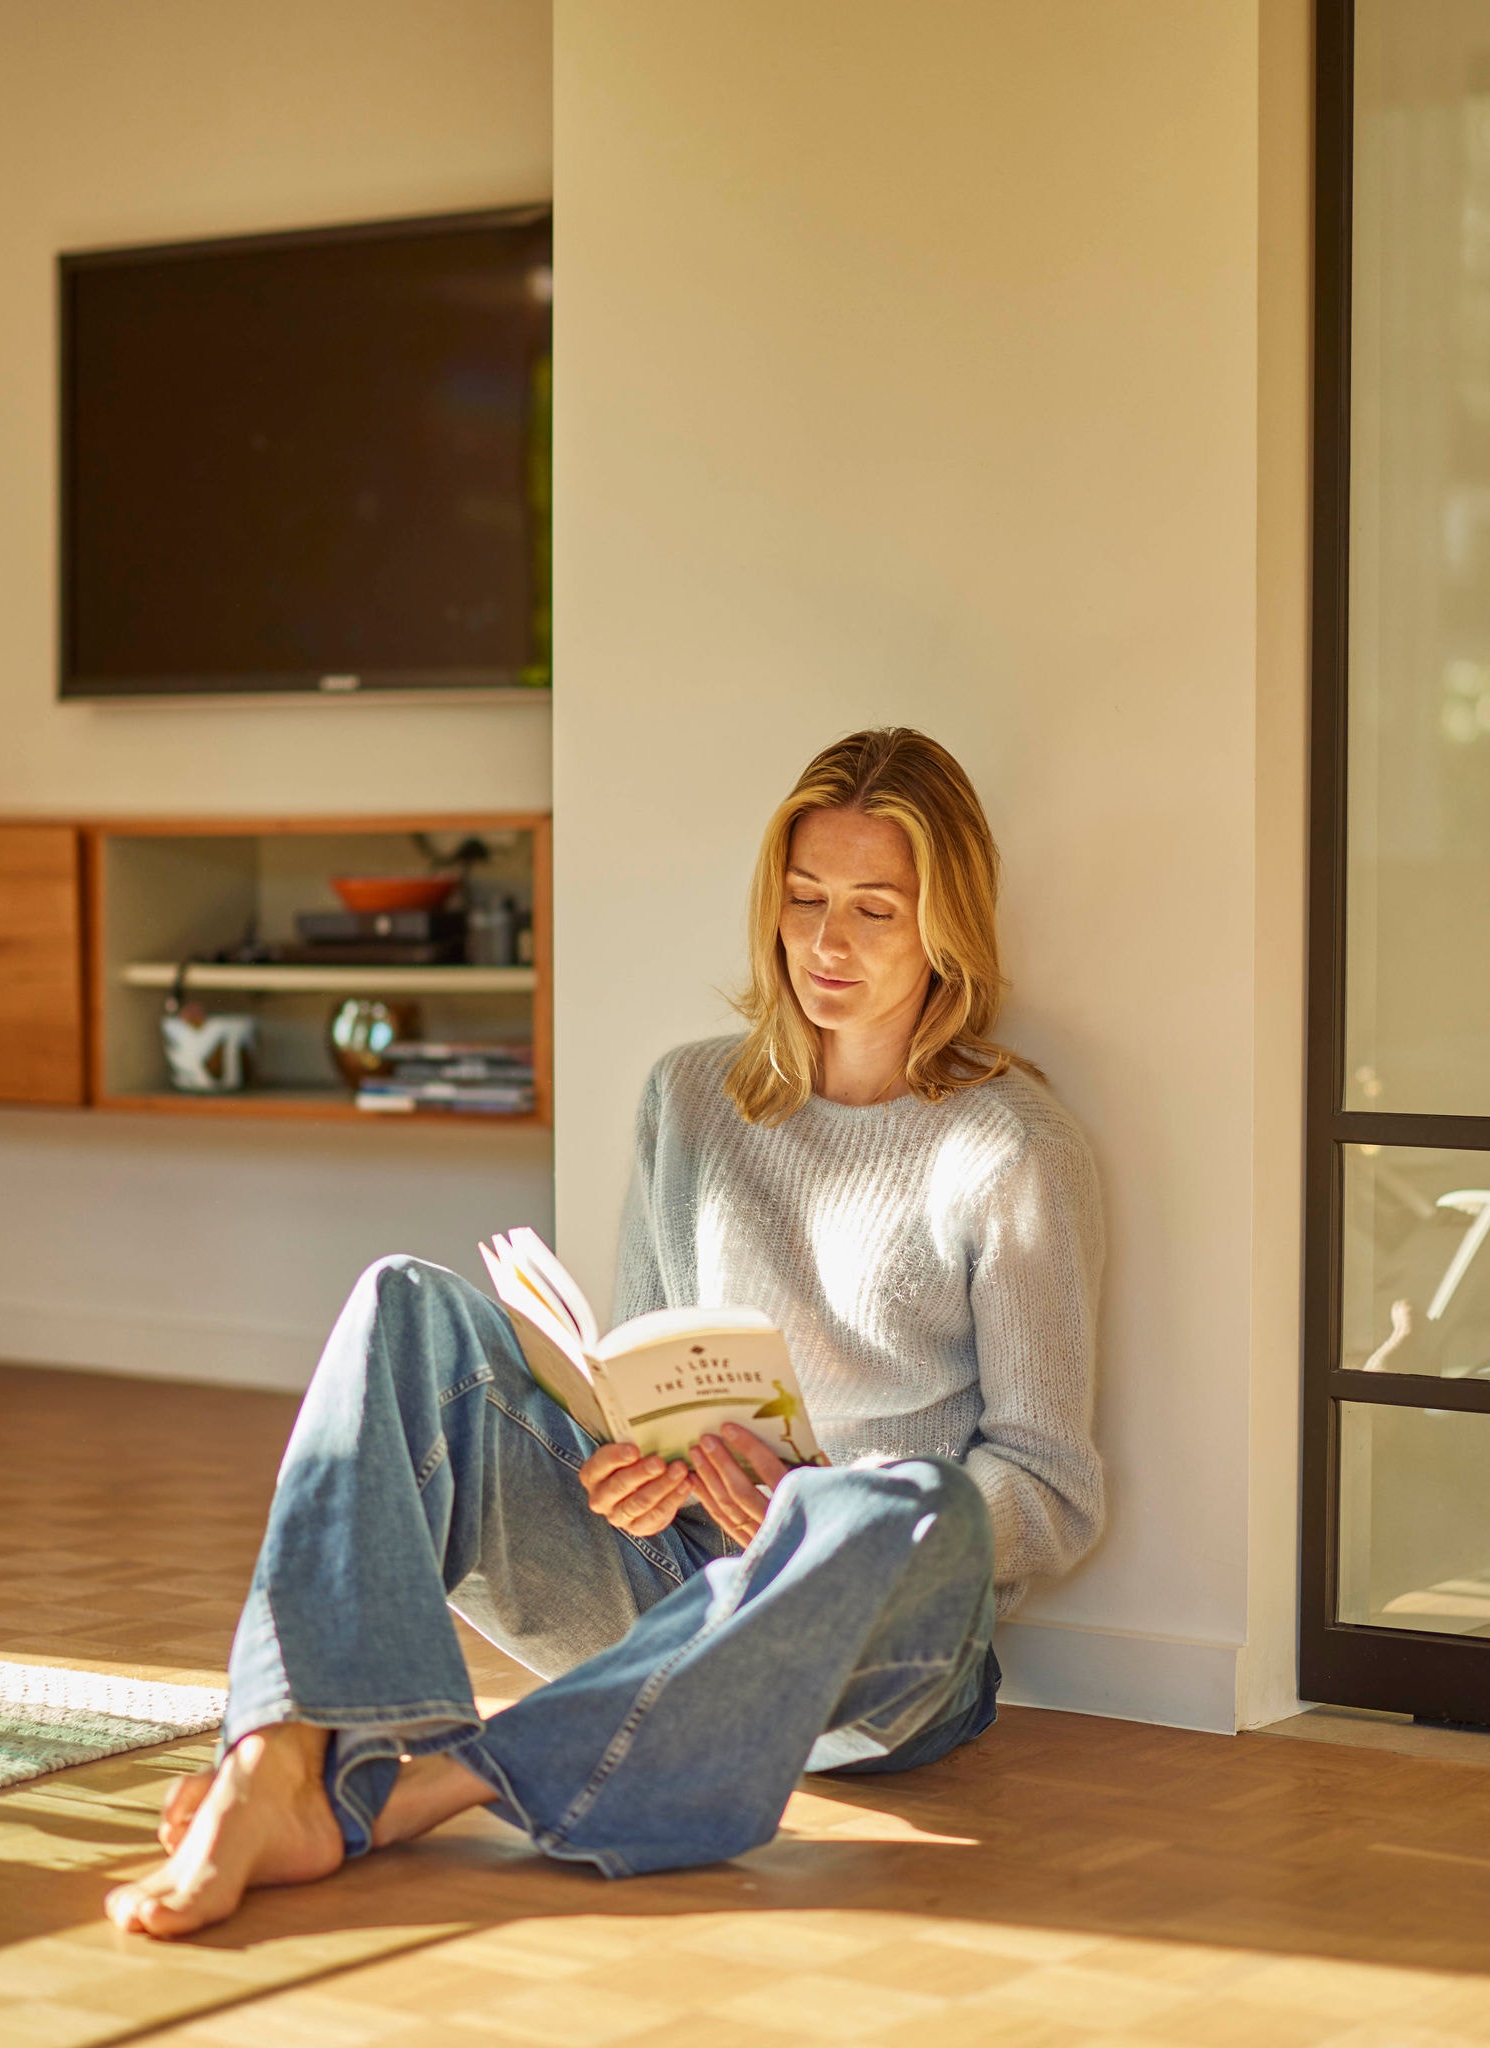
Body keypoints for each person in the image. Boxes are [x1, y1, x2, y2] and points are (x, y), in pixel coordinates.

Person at [105, 726, 1105, 1939]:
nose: (826, 943)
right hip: (665, 1576)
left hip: (881, 1660)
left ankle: (428, 1787)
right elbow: (641, 1369)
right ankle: (275, 1760)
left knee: (909, 1502)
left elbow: (1050, 1490)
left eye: (874, 910)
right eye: (803, 898)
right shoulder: (690, 1095)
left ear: (945, 925)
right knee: (398, 1299)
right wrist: (631, 1470)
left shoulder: (1012, 1147)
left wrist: (819, 1500)